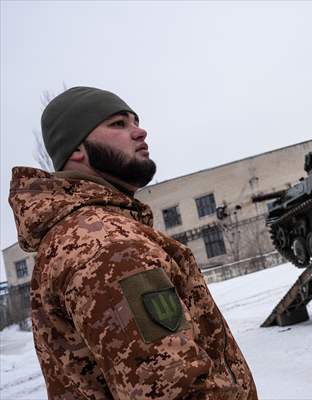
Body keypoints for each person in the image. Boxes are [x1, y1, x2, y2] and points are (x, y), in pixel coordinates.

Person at [8, 87, 258, 399]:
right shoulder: (108, 246)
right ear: (76, 149)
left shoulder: (80, 234)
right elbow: (171, 390)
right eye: (118, 124)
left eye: (135, 121)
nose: (140, 132)